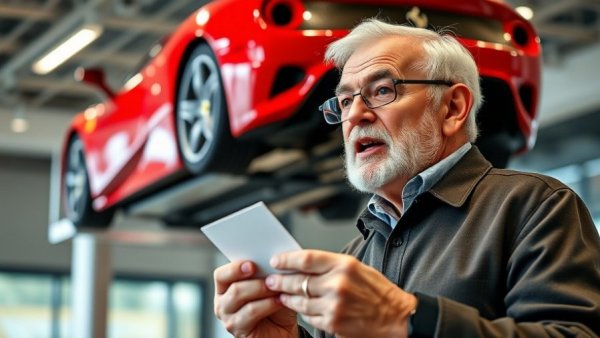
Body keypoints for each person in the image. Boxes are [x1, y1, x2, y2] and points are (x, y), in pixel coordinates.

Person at [213, 18, 600, 337]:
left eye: (382, 90)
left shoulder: (536, 208)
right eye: (345, 101)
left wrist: (407, 319)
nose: (355, 116)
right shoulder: (355, 255)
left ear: (453, 107)